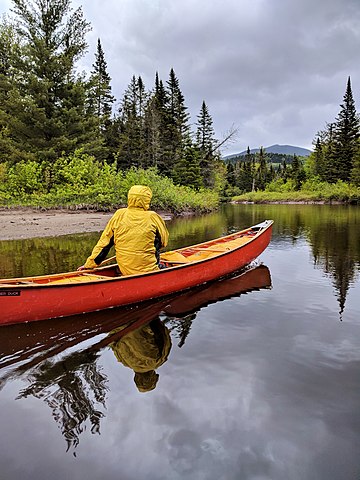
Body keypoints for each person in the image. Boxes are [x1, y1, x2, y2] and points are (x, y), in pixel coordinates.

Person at [78, 185, 169, 275]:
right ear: (147, 200)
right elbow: (164, 242)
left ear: (129, 197)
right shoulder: (153, 217)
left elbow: (103, 245)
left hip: (125, 271)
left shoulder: (119, 214)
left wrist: (89, 265)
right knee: (159, 252)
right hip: (150, 270)